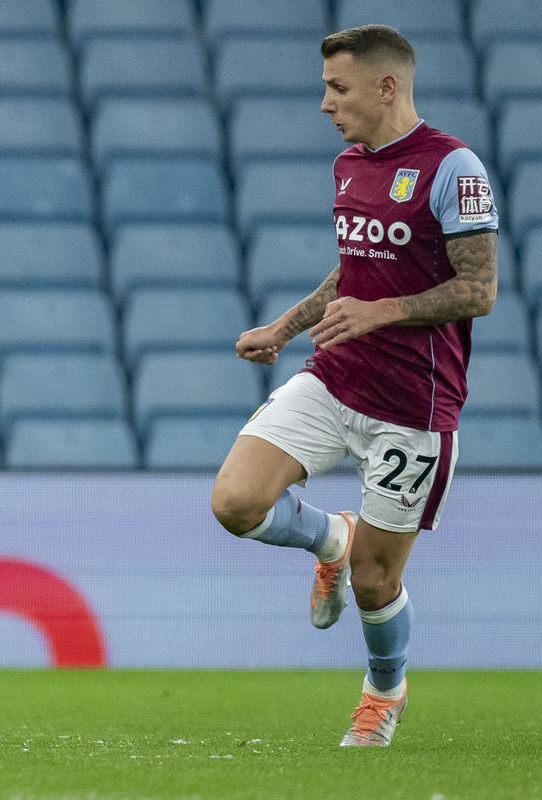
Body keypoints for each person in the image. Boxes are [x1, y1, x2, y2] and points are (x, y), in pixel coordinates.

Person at [211, 25, 498, 747]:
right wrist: (285, 326)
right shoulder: (349, 165)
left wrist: (385, 311)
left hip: (413, 407)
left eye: (337, 88)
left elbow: (480, 289)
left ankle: (383, 691)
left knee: (375, 583)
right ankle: (328, 538)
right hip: (335, 380)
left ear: (386, 86)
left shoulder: (452, 168)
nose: (324, 104)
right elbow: (353, 268)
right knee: (237, 503)